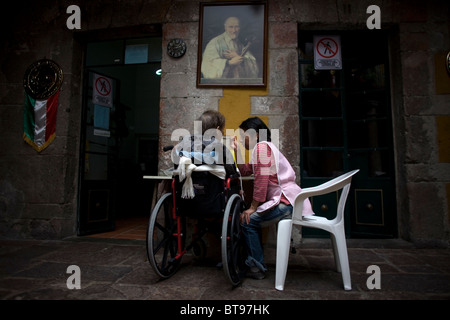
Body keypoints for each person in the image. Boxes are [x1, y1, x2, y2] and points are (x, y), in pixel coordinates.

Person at [231, 117, 314, 279]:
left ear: (255, 134)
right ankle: (255, 263)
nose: (242, 139)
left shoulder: (262, 148)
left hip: (285, 201)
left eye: (244, 136)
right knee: (249, 219)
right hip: (288, 200)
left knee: (247, 221)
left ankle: (256, 267)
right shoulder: (263, 148)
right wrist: (236, 150)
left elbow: (261, 180)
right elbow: (246, 170)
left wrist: (253, 207)